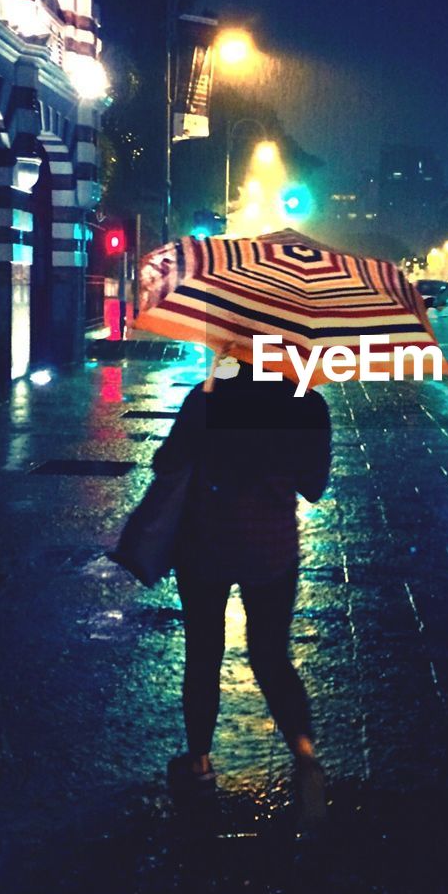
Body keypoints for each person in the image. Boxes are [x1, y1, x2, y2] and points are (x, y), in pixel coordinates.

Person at [153, 349, 332, 821]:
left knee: (204, 652)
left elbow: (167, 461)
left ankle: (201, 764)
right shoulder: (308, 404)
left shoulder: (208, 398)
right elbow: (314, 486)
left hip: (205, 542)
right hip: (271, 548)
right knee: (271, 655)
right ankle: (306, 758)